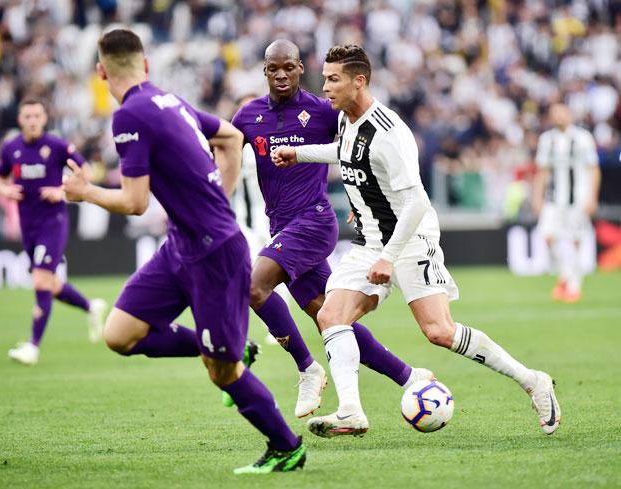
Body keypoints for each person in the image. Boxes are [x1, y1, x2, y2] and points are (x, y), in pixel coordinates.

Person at [272, 44, 561, 438]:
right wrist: (299, 154)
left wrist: (389, 257)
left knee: (439, 331)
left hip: (409, 240)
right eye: (324, 78)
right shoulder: (346, 120)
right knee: (330, 315)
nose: (325, 86)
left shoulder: (390, 132)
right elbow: (345, 153)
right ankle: (351, 411)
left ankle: (533, 380)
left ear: (359, 81)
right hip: (372, 240)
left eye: (333, 79)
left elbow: (415, 201)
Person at [62, 29, 306, 474]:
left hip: (214, 253)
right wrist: (220, 195)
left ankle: (287, 446)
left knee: (223, 373)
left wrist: (85, 192)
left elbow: (135, 203)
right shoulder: (167, 100)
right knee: (119, 334)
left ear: (101, 72)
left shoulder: (129, 115)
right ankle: (232, 349)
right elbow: (231, 139)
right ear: (146, 65)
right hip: (181, 245)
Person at [231, 39, 433, 419]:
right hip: (280, 226)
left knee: (253, 286)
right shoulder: (247, 115)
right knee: (331, 317)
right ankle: (409, 376)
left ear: (299, 69)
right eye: (274, 68)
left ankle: (308, 369)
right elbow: (224, 151)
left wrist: (364, 200)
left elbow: (359, 150)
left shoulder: (323, 112)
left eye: (289, 67)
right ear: (264, 71)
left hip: (313, 221)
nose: (281, 75)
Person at [0, 99, 107, 366]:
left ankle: (33, 347)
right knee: (51, 284)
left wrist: (62, 191)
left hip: (52, 223)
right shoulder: (11, 148)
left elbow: (85, 171)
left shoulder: (55, 146)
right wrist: (4, 190)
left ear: (44, 119)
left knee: (41, 282)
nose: (32, 120)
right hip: (27, 225)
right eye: (27, 116)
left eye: (37, 115)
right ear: (20, 119)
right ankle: (92, 307)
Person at [532, 104, 600, 303]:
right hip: (554, 199)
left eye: (562, 113)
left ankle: (573, 285)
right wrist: (537, 197)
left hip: (578, 198)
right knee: (546, 236)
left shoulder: (583, 138)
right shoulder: (547, 140)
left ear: (569, 115)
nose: (559, 117)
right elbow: (542, 171)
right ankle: (565, 275)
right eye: (555, 114)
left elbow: (593, 168)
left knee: (576, 239)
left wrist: (592, 197)